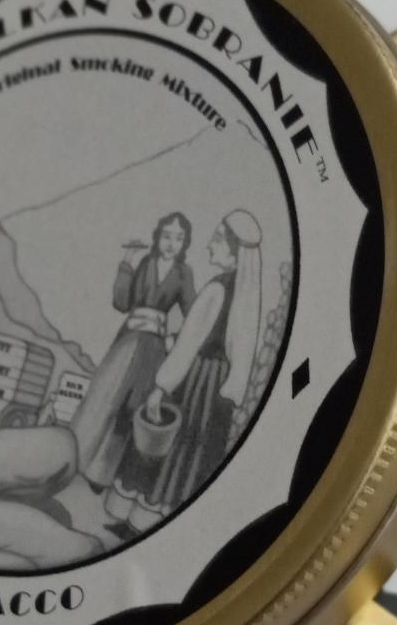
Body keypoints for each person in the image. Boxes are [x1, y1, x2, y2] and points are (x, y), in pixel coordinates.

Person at [104, 209, 263, 537]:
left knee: (164, 446)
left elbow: (188, 346)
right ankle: (161, 524)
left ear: (233, 250)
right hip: (216, 385)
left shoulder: (216, 289)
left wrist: (161, 387)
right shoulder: (243, 292)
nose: (209, 246)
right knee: (194, 455)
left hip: (193, 380)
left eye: (217, 239)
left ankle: (136, 520)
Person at [71, 211, 195, 492]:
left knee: (129, 408)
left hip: (153, 349)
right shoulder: (145, 263)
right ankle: (76, 456)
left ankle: (101, 474)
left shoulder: (183, 273)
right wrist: (126, 263)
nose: (171, 243)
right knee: (105, 397)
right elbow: (121, 303)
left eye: (178, 238)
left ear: (185, 243)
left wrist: (174, 337)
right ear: (157, 237)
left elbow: (192, 312)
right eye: (166, 236)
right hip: (127, 341)